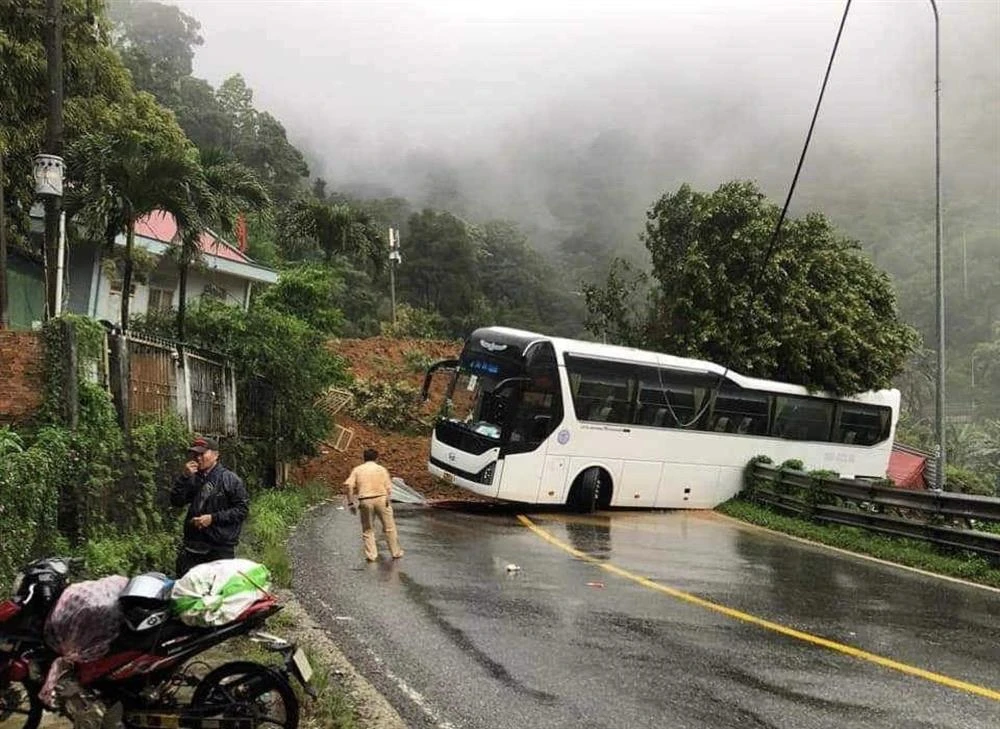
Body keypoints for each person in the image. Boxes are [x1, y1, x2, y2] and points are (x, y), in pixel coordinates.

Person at [171, 436, 250, 576]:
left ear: (215, 455)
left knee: (218, 590)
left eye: (202, 454)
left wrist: (212, 518)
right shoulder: (192, 478)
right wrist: (183, 477)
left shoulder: (230, 479)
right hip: (193, 545)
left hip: (219, 547)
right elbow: (177, 501)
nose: (198, 458)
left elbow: (241, 510)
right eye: (195, 454)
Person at [343, 448, 404, 562]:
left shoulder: (357, 470)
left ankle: (371, 555)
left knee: (368, 529)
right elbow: (389, 488)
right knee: (389, 527)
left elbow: (349, 486)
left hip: (365, 500)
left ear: (364, 457)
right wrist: (387, 500)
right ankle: (395, 552)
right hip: (381, 498)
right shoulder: (381, 469)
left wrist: (351, 503)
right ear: (377, 458)